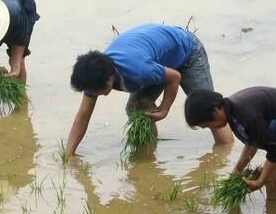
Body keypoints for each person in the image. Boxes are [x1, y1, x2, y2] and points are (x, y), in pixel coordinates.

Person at [66, 24, 233, 156]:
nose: (93, 95)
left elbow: (174, 77)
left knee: (208, 111)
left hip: (187, 52)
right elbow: (83, 115)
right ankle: (149, 158)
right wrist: (69, 154)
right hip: (158, 61)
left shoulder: (137, 70)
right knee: (137, 109)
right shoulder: (93, 76)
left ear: (109, 79)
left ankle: (226, 155)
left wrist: (164, 110)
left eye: (95, 91)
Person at [184, 87, 276, 214]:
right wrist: (236, 172)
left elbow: (274, 149)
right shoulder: (233, 112)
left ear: (216, 110)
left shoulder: (246, 114)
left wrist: (260, 181)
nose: (212, 128)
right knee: (272, 176)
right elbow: (253, 142)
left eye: (209, 124)